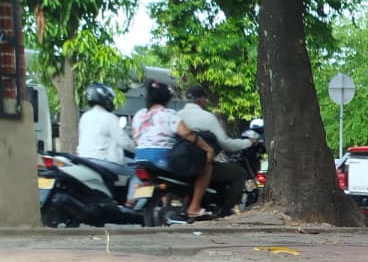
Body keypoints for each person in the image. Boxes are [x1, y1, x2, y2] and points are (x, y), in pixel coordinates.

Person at [177, 83, 259, 216]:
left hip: (178, 164)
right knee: (239, 173)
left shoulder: (176, 115)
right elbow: (226, 144)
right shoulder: (207, 117)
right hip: (199, 164)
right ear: (201, 100)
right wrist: (248, 142)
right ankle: (226, 210)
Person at [130, 80, 212, 211]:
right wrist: (207, 148)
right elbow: (188, 134)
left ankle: (133, 201)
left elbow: (136, 138)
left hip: (141, 158)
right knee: (205, 168)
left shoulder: (139, 115)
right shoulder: (169, 114)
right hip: (161, 159)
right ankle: (194, 207)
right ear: (166, 98)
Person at [76, 83, 134, 164]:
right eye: (109, 97)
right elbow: (123, 141)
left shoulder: (84, 117)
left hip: (84, 160)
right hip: (103, 161)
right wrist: (137, 149)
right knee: (134, 170)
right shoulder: (109, 117)